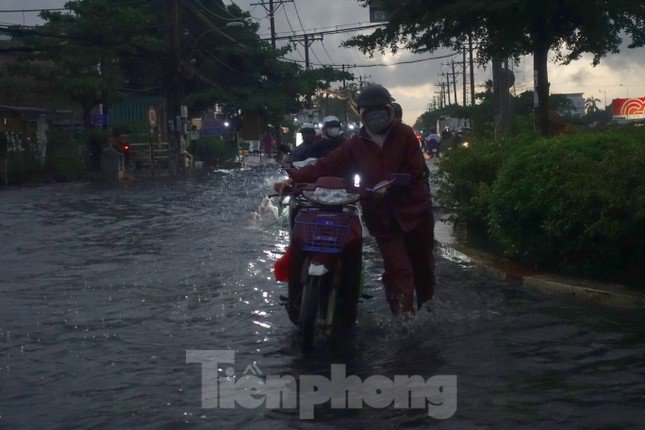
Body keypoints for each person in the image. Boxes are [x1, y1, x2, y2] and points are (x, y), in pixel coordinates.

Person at [274, 84, 436, 314]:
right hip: (382, 217)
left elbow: (415, 170)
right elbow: (325, 165)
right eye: (369, 112)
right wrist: (292, 181)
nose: (376, 116)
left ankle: (427, 309)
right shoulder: (355, 145)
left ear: (390, 111)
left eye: (381, 110)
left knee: (424, 269)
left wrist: (391, 185)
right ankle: (404, 320)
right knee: (398, 270)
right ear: (362, 116)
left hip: (415, 212)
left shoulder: (405, 135)